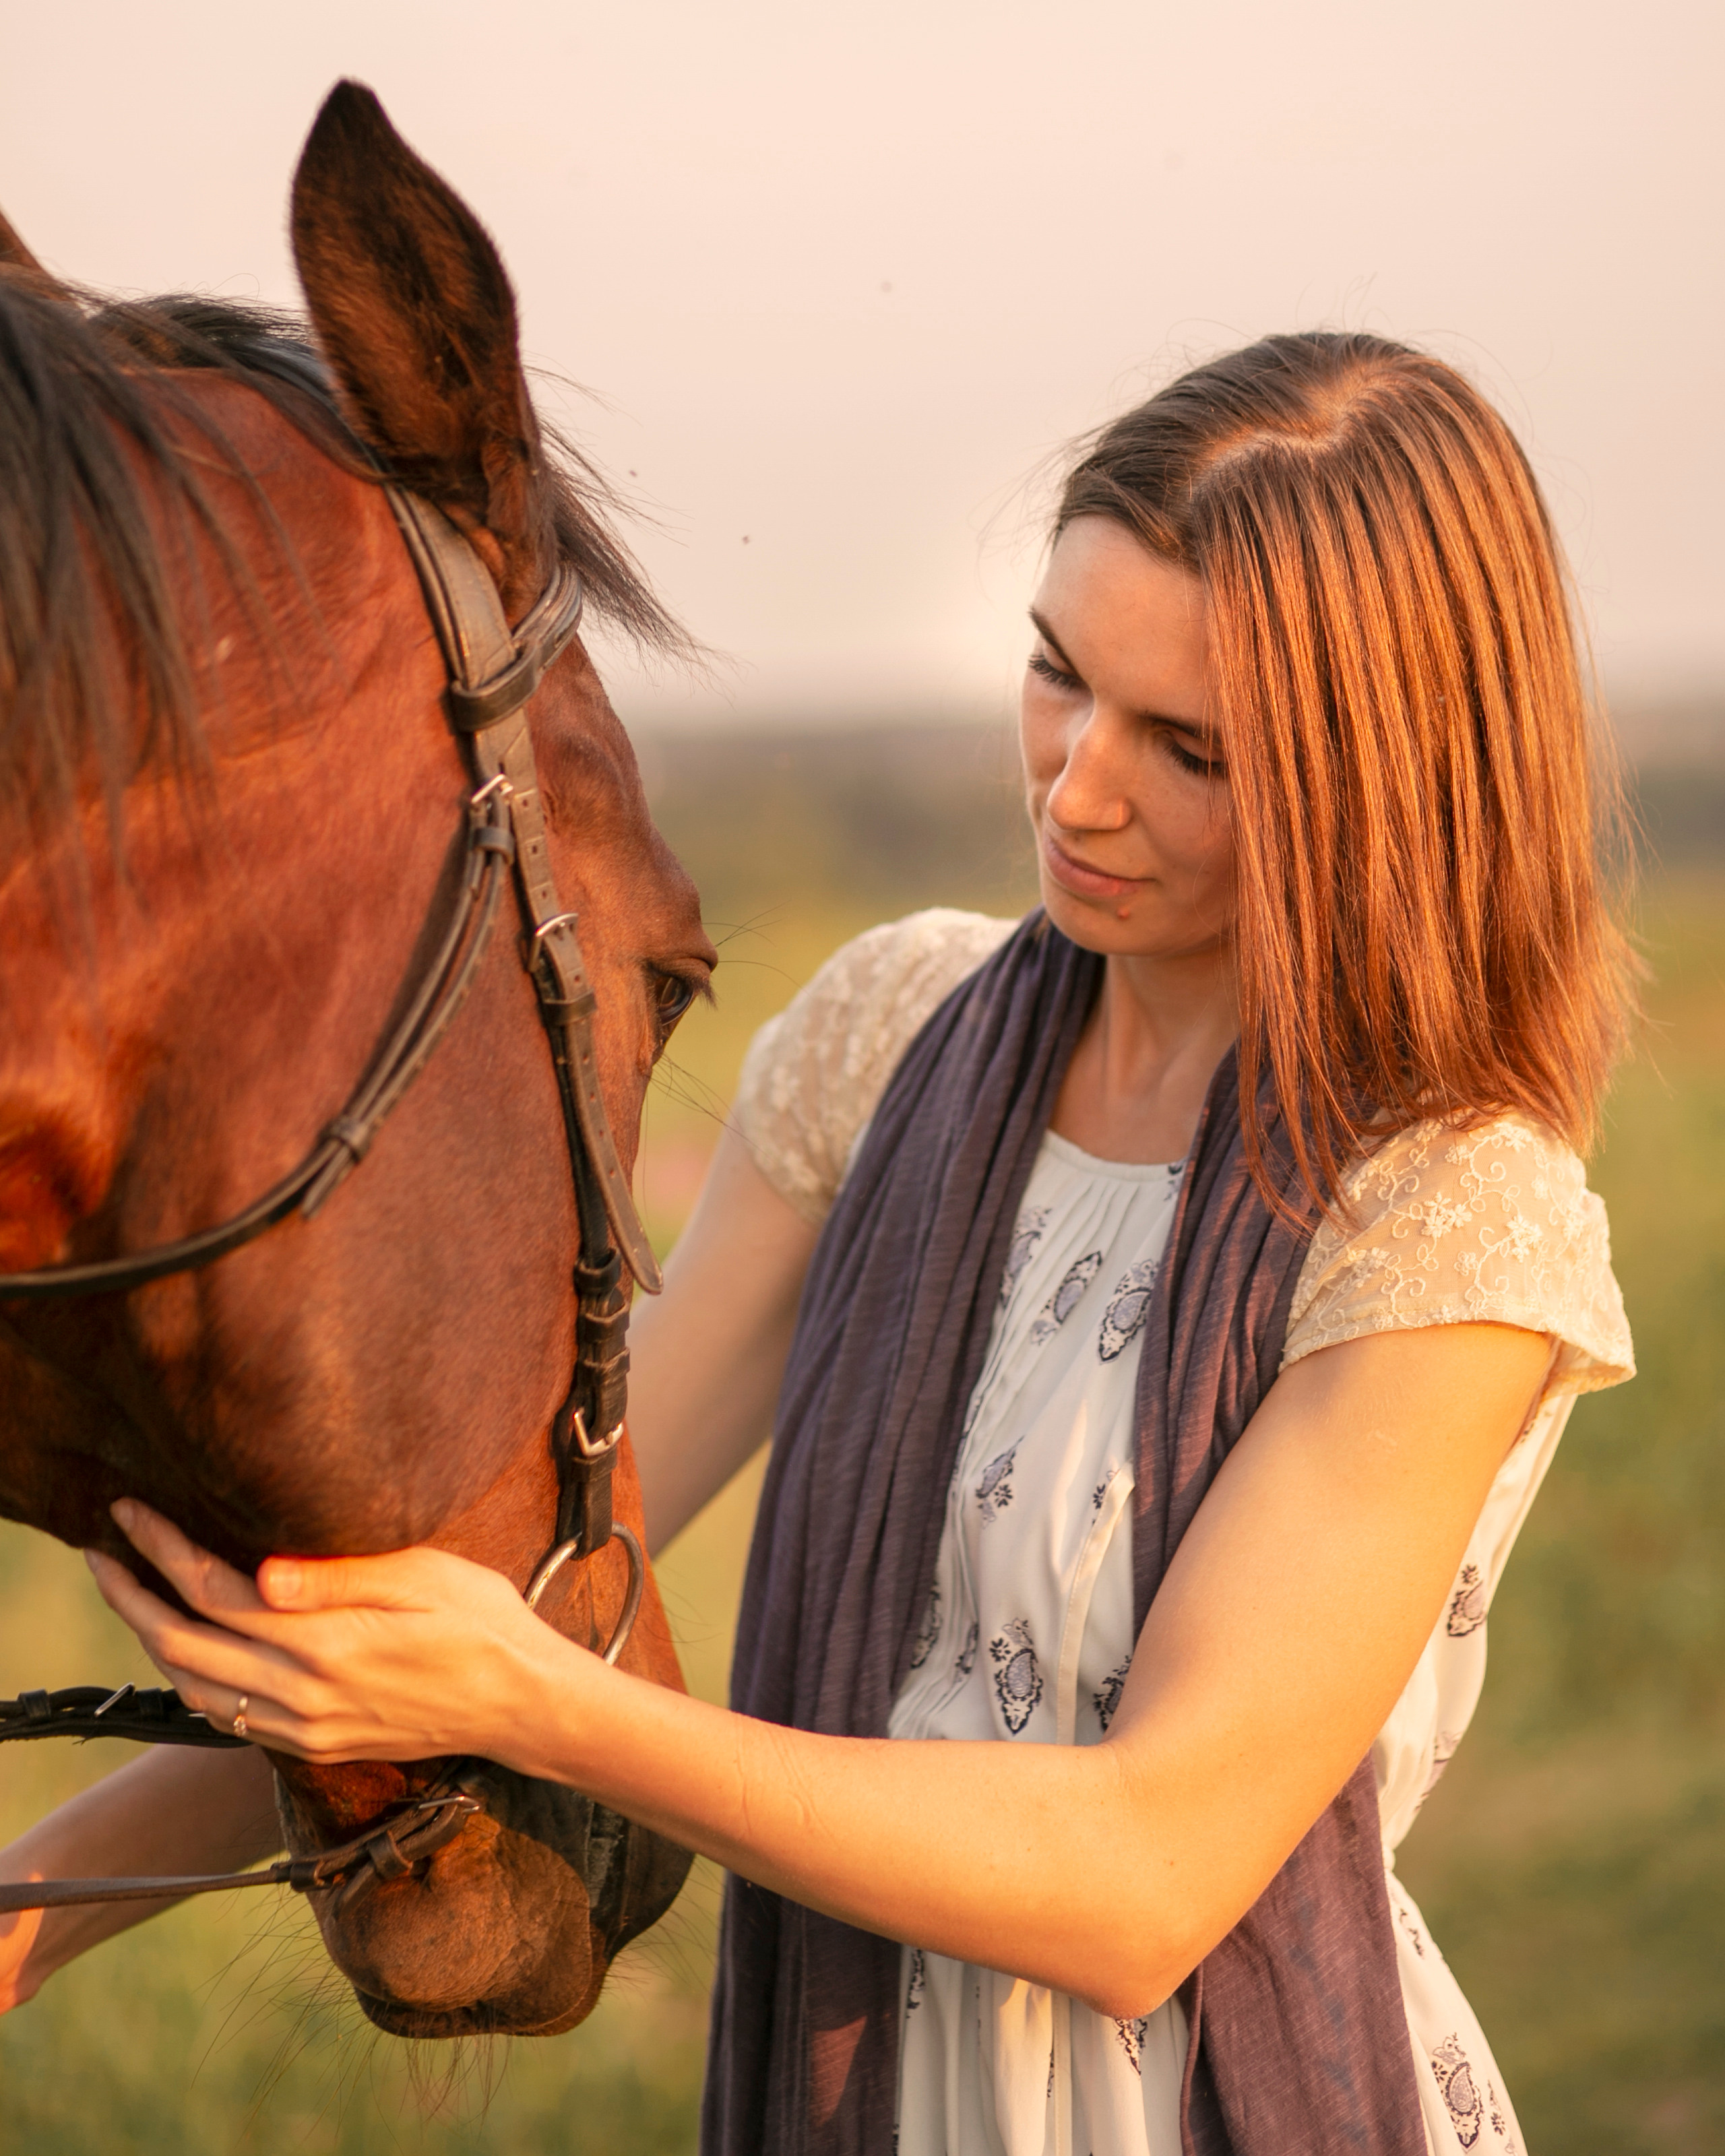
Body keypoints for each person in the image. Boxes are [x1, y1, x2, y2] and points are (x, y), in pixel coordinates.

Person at [2, 332, 1635, 2156]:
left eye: (1189, 750)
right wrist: (33, 1907)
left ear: (1386, 781)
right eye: (1058, 673)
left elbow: (1148, 1881)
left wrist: (544, 1713)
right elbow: (504, 1606)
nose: (1076, 789)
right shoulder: (888, 1038)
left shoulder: (1443, 1209)